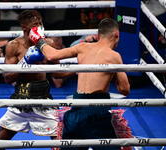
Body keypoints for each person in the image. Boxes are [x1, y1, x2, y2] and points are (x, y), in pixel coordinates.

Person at [29, 18, 130, 150]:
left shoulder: (83, 47)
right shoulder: (114, 56)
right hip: (98, 113)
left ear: (98, 35)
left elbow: (52, 56)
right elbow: (125, 90)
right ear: (116, 34)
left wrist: (39, 40)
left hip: (76, 111)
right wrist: (116, 78)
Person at [0, 10, 74, 150]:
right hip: (20, 98)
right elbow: (7, 78)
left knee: (59, 142)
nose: (39, 27)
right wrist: (25, 61)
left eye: (40, 23)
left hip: (43, 98)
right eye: (35, 24)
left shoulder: (48, 43)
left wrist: (81, 69)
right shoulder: (13, 46)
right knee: (0, 142)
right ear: (24, 27)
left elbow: (57, 73)